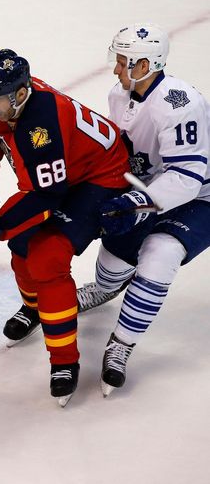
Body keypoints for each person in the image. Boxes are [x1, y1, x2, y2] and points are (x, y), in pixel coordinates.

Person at [0, 50, 130, 405]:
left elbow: (45, 195)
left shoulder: (40, 126)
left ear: (20, 95)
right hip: (63, 173)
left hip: (100, 178)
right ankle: (35, 308)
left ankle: (65, 361)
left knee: (46, 257)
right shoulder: (5, 103)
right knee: (19, 247)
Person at [77, 24, 210, 396]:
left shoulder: (180, 103)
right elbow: (125, 151)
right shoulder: (120, 95)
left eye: (123, 62)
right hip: (153, 187)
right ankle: (105, 289)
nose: (116, 69)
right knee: (113, 257)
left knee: (160, 252)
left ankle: (121, 344)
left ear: (146, 64)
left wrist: (135, 203)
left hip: (202, 195)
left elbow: (186, 178)